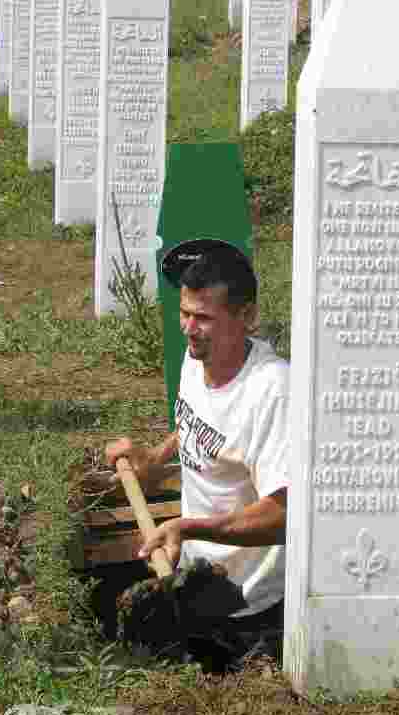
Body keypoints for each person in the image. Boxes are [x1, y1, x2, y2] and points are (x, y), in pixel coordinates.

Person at [104, 238, 290, 669]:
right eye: (185, 313)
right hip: (193, 578)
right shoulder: (200, 355)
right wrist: (156, 457)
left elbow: (285, 515)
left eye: (203, 318)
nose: (188, 328)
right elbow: (200, 424)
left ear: (246, 316)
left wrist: (188, 527)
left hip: (248, 608)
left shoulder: (273, 393)